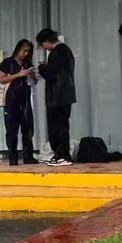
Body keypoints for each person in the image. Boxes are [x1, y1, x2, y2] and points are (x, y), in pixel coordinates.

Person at [36, 28, 75, 166]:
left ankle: (63, 155)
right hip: (62, 95)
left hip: (58, 96)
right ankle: (59, 154)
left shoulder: (58, 52)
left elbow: (52, 74)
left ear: (46, 42)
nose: (44, 48)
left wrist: (42, 68)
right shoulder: (64, 51)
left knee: (58, 126)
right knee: (59, 126)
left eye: (42, 45)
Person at [0, 39, 39, 167]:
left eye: (28, 52)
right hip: (11, 100)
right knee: (12, 130)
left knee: (27, 130)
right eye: (24, 50)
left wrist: (31, 75)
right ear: (18, 49)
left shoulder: (27, 64)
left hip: (25, 99)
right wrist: (19, 74)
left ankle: (28, 156)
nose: (25, 54)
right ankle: (13, 156)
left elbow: (35, 82)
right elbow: (2, 79)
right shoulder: (7, 63)